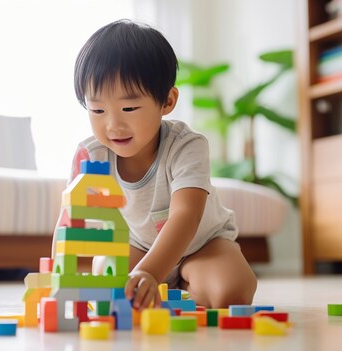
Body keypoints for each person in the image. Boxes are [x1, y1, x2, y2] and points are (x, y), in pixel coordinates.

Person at [56, 19, 257, 310]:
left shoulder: (187, 145)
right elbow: (69, 220)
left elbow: (186, 215)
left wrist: (150, 271)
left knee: (230, 294)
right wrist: (58, 278)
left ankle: (181, 279)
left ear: (167, 101)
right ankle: (166, 283)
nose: (113, 125)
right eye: (97, 109)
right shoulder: (91, 154)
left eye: (129, 108)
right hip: (138, 245)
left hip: (201, 245)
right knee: (108, 288)